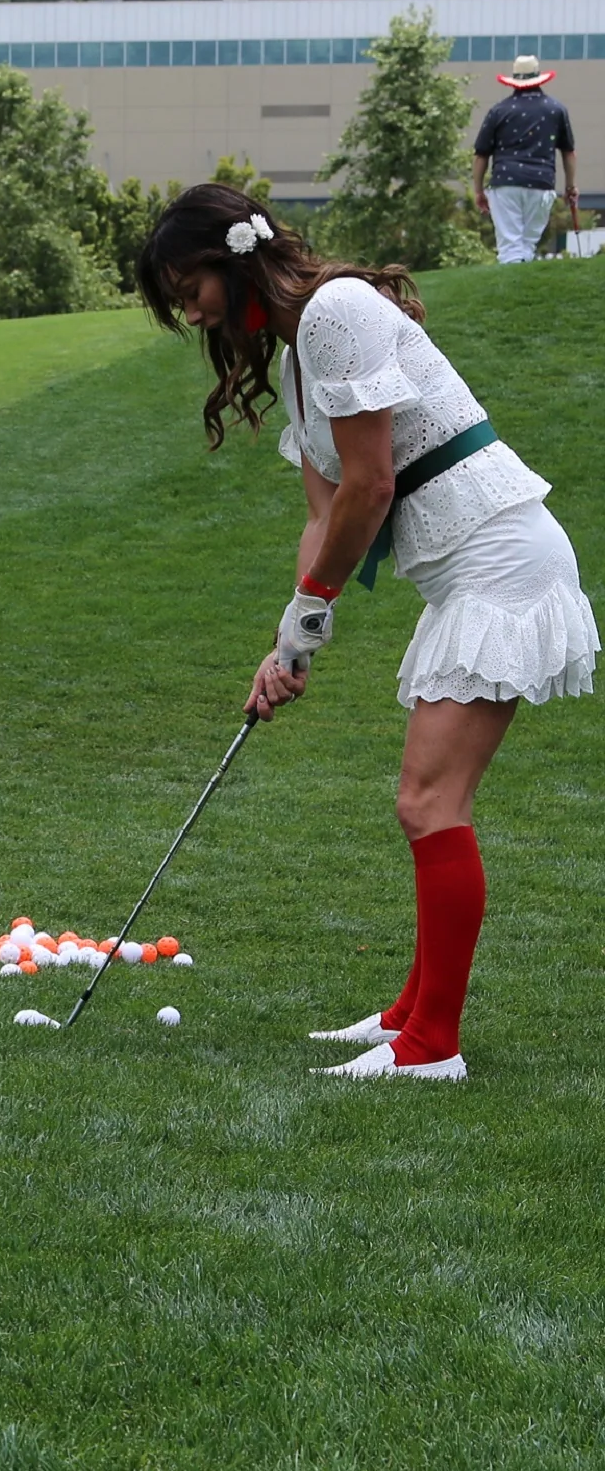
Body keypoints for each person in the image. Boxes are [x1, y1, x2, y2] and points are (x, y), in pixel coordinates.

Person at [136, 184, 597, 1082]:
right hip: (467, 570)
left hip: (502, 559)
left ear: (228, 259)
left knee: (429, 803)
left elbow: (372, 486)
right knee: (425, 802)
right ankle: (409, 1018)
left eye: (186, 285)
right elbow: (326, 518)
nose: (189, 309)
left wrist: (313, 606)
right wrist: (289, 643)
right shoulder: (305, 358)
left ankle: (432, 1049)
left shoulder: (337, 311)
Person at [472, 54, 579, 264]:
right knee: (527, 245)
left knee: (509, 246)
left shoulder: (499, 111)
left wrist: (478, 190)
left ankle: (509, 291)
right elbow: (568, 152)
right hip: (542, 183)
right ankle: (522, 289)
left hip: (506, 182)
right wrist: (570, 187)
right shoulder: (555, 110)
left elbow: (481, 154)